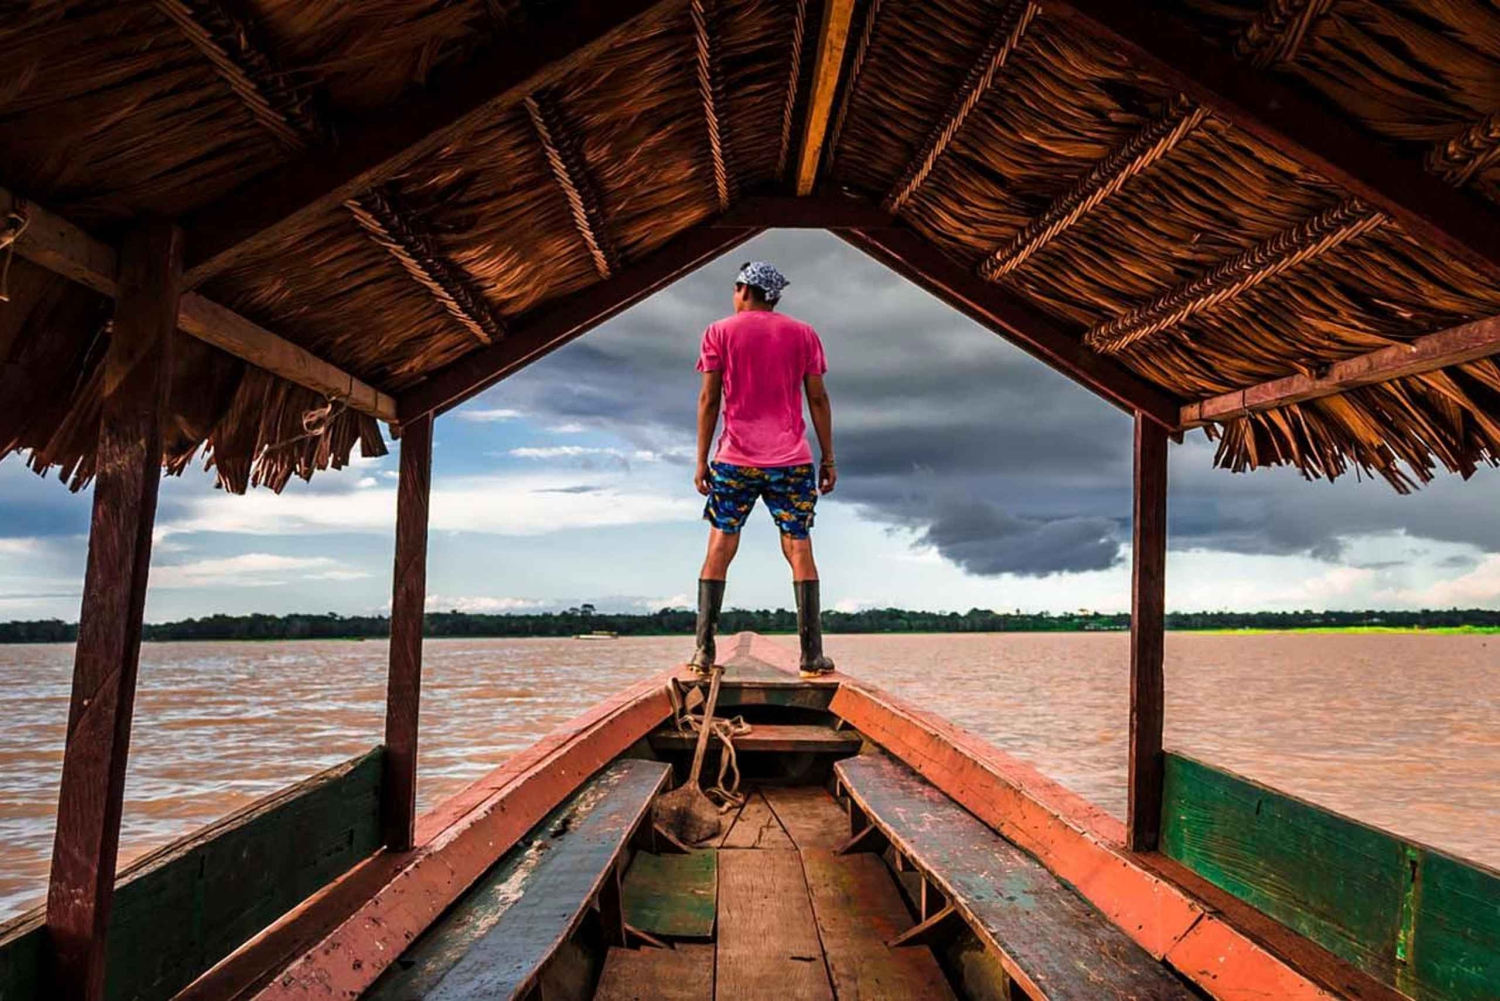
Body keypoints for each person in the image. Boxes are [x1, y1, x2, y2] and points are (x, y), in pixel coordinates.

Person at [689, 261, 836, 679]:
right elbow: (819, 400)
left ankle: (704, 653)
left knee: (719, 547)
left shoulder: (718, 332)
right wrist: (828, 458)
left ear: (742, 289)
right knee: (799, 547)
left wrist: (702, 461)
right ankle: (811, 656)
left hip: (734, 459)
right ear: (773, 296)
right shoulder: (803, 334)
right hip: (791, 460)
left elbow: (708, 400)